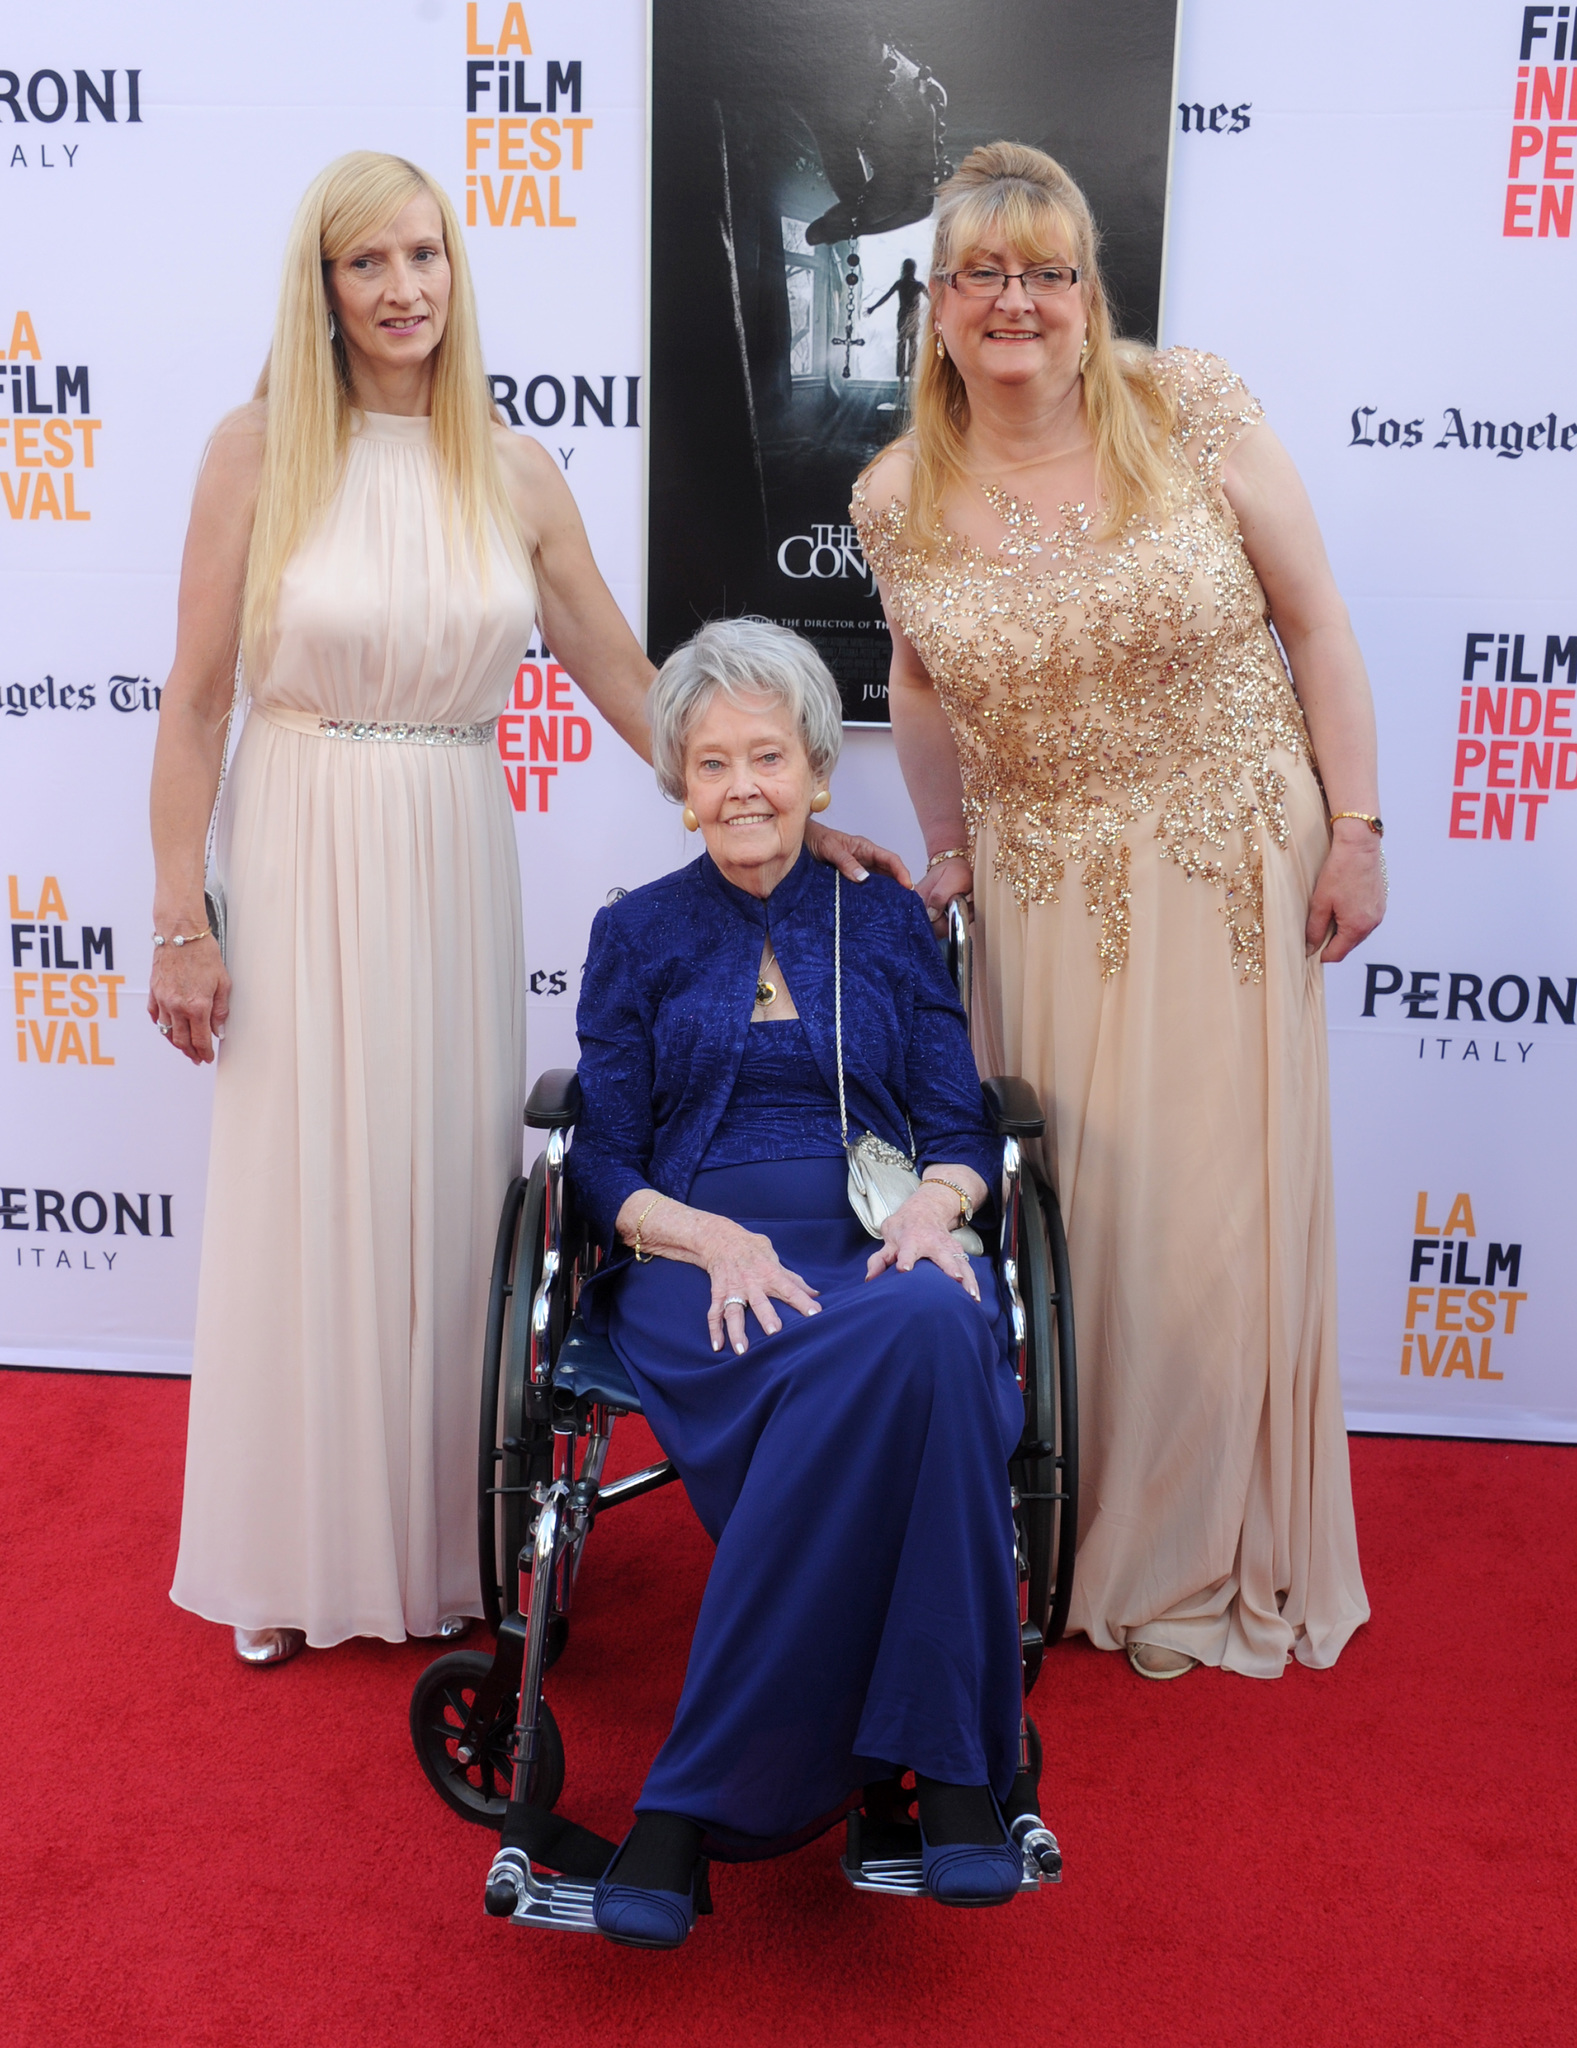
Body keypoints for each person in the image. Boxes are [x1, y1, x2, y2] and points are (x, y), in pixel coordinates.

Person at [151, 152, 902, 1668]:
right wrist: (183, 917)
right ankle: (299, 1553)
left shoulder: (512, 469)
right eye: (369, 263)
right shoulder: (253, 452)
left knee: (439, 1187)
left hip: (445, 841)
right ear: (324, 286)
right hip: (298, 841)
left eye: (426, 255)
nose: (405, 288)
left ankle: (449, 1538)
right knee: (307, 1187)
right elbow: (196, 702)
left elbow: (632, 685)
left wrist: (771, 805)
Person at [852, 143, 1381, 1683]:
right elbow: (919, 681)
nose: (1016, 301)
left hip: (1228, 858)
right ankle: (1074, 1520)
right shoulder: (896, 493)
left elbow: (1316, 622)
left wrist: (1354, 826)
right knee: (1081, 1221)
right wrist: (942, 849)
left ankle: (1202, 1539)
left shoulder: (1187, 405)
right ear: (934, 308)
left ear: (1089, 295)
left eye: (1048, 272)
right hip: (1039, 886)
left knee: (1209, 1224)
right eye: (981, 276)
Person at [564, 618, 1027, 1947]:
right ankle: (950, 1779)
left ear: (821, 771)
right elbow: (599, 1160)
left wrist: (941, 1211)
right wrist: (709, 1239)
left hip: (878, 1240)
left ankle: (687, 1807)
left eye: (769, 756)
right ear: (679, 785)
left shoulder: (883, 919)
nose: (744, 786)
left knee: (931, 1311)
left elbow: (954, 1119)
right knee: (928, 1348)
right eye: (712, 763)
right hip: (699, 1269)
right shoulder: (637, 935)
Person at [867, 257, 926, 385]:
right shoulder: (917, 285)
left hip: (904, 318)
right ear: (913, 270)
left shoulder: (901, 284)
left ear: (903, 269)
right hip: (911, 318)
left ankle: (902, 377)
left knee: (903, 344)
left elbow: (885, 297)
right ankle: (909, 375)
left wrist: (873, 308)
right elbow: (933, 299)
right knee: (911, 344)